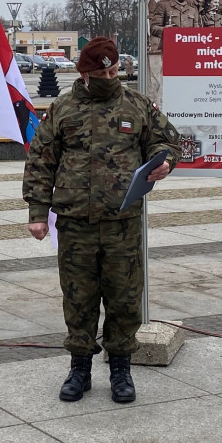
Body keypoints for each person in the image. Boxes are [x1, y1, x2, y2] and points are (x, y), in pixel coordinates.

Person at [23, 36, 180, 404]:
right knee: (79, 298)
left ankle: (121, 367)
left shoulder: (138, 105)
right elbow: (41, 162)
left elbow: (168, 142)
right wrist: (36, 213)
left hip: (123, 223)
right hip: (75, 223)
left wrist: (164, 162)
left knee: (125, 298)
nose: (111, 77)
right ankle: (80, 368)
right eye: (102, 72)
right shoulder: (62, 109)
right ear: (85, 73)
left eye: (114, 71)